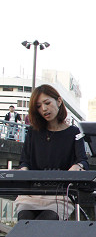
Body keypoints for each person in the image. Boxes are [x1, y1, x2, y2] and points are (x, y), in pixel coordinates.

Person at [15, 84, 89, 220]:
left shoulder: (74, 132)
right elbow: (24, 161)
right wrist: (23, 170)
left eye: (47, 103)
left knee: (46, 221)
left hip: (59, 195)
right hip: (32, 193)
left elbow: (82, 160)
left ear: (59, 101)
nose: (44, 109)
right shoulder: (33, 132)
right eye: (38, 106)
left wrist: (77, 166)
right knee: (25, 219)